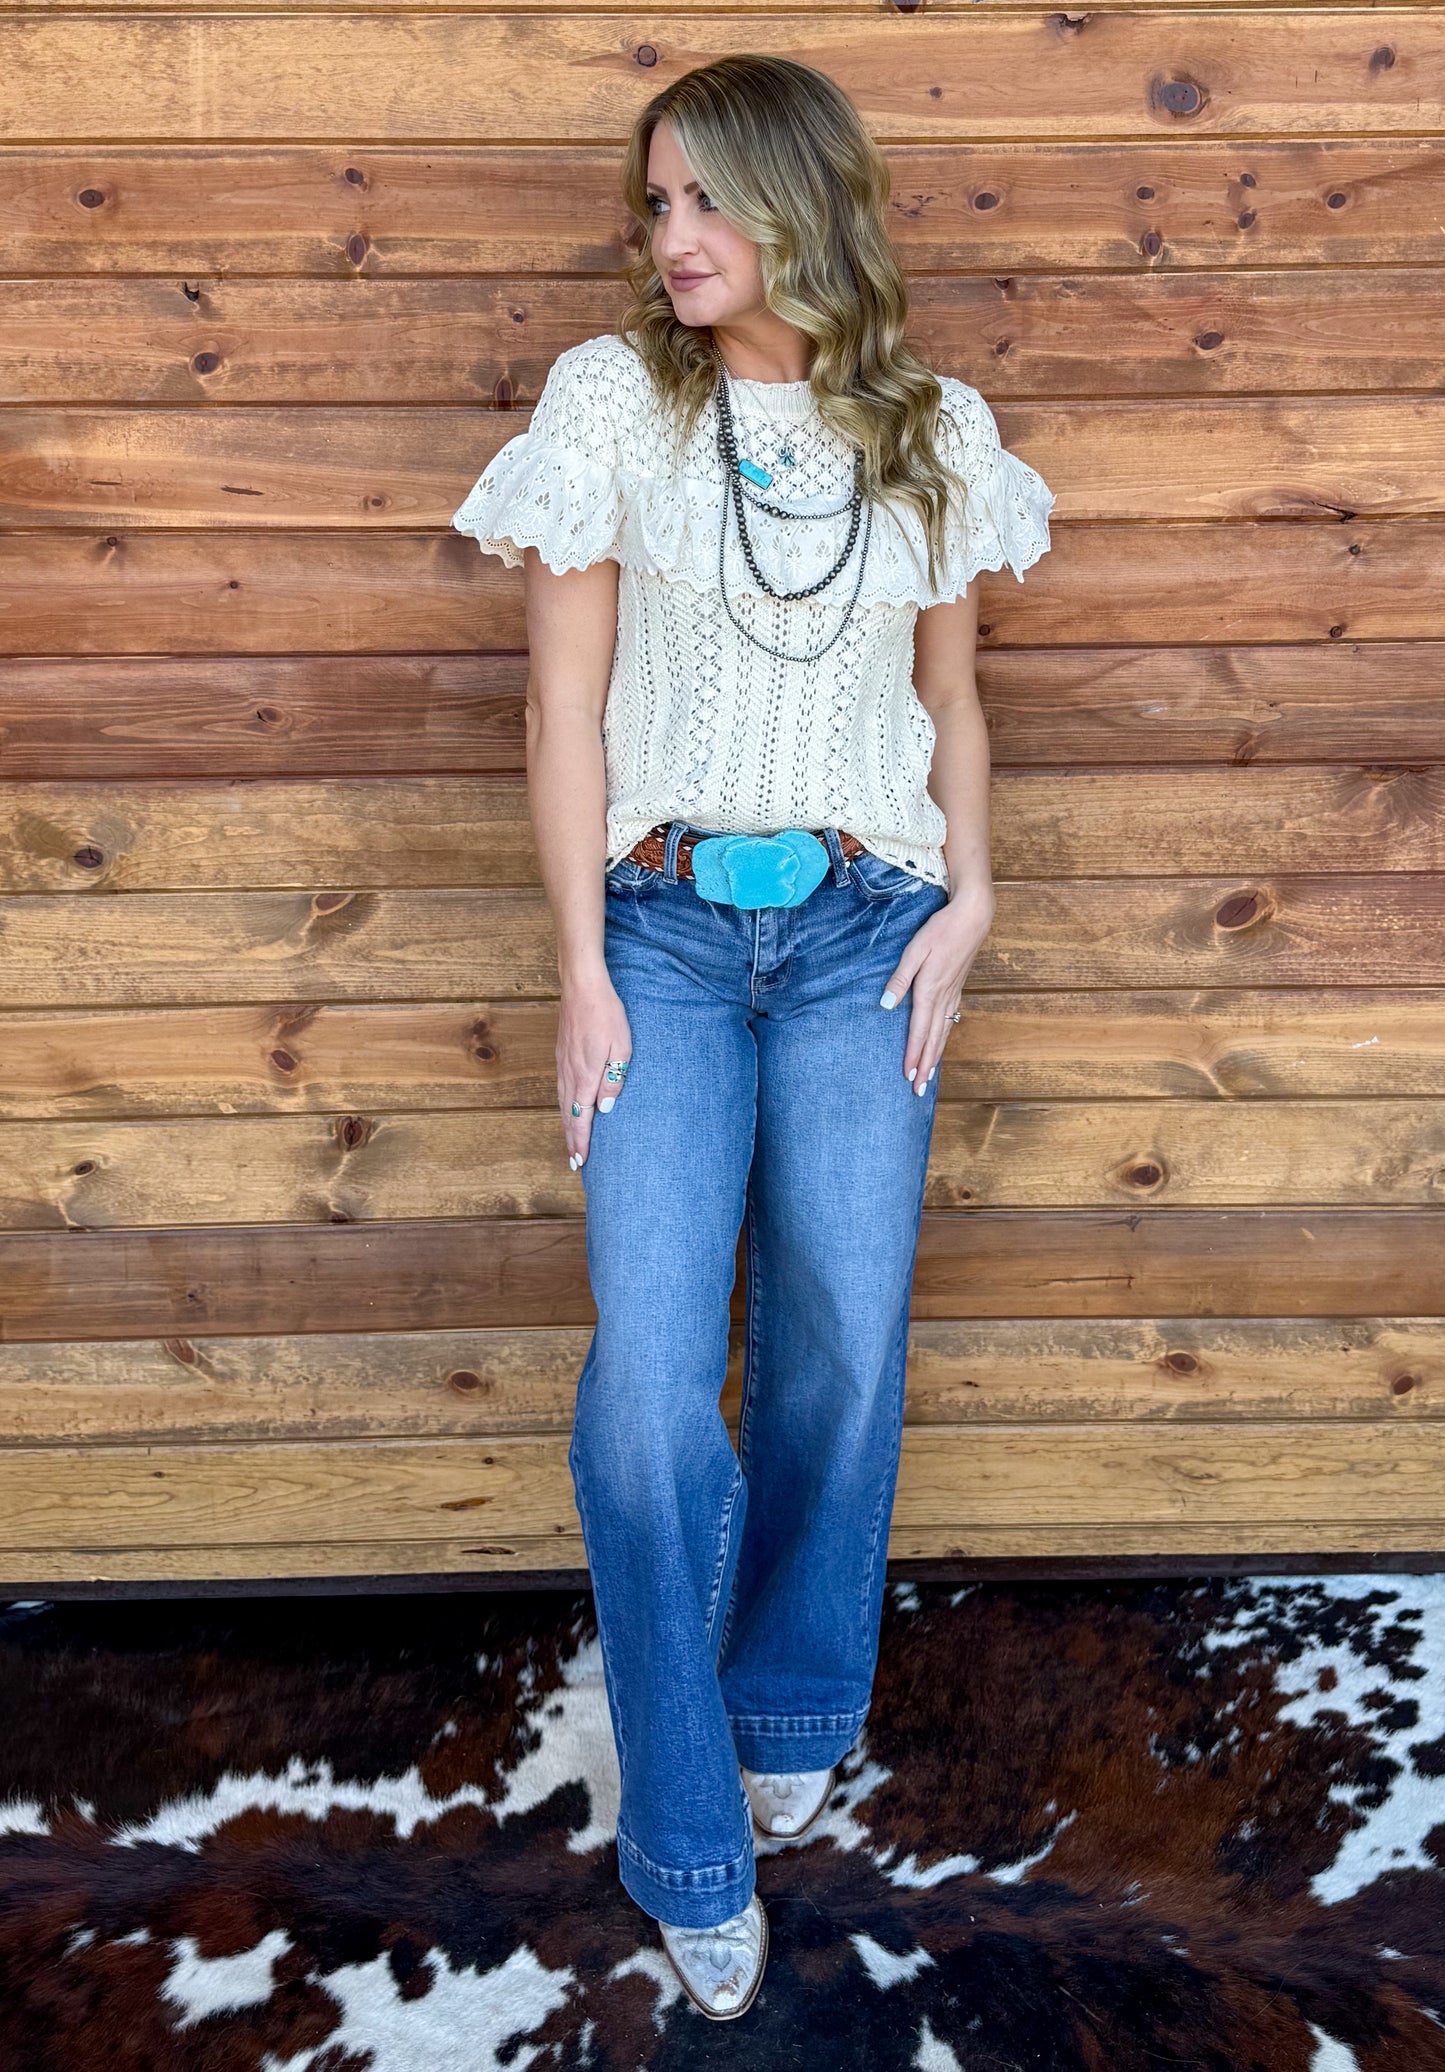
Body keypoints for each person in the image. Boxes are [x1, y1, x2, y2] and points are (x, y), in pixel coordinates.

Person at [451, 51, 1054, 2021]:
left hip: (873, 924)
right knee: (647, 1388)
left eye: (707, 200)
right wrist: (582, 965)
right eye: (656, 205)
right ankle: (690, 1833)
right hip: (666, 930)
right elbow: (563, 710)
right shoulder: (615, 404)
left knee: (839, 1341)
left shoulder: (935, 429)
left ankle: (795, 1688)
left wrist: (972, 890)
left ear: (807, 203)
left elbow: (948, 696)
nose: (675, 239)